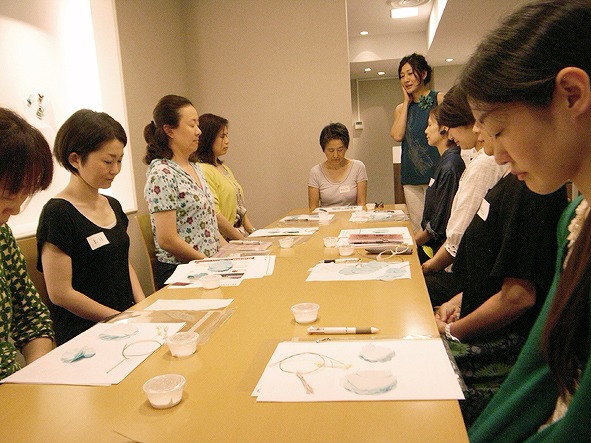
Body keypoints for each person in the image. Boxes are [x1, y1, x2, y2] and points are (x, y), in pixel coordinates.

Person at [455, 0, 591, 440]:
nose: (492, 151)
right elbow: (540, 369)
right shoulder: (576, 217)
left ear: (572, 94)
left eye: (498, 130)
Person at [37, 110, 145, 345]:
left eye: (119, 160)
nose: (115, 169)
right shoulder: (58, 213)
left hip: (127, 323)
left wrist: (143, 307)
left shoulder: (113, 206)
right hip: (86, 334)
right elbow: (60, 293)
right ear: (75, 159)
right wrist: (117, 318)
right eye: (108, 161)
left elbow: (123, 263)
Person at [422, 86, 508, 302]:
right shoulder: (476, 161)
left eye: (450, 127)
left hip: (463, 271)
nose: (449, 134)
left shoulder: (485, 164)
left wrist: (426, 267)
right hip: (463, 266)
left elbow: (456, 239)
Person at [144, 95, 223, 288]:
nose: (199, 131)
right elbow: (167, 239)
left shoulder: (194, 166)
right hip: (182, 270)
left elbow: (209, 222)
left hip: (208, 265)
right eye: (192, 125)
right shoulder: (161, 172)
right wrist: (207, 262)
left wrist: (230, 252)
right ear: (170, 130)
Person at [0, 108, 54, 379]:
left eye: (26, 194)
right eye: (11, 193)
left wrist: (34, 373)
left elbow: (32, 316)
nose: (18, 208)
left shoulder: (2, 236)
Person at [390, 53, 444, 231]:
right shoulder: (400, 108)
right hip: (411, 176)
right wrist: (406, 103)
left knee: (437, 224)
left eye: (410, 74)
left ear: (423, 74)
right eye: (402, 76)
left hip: (436, 174)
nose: (406, 79)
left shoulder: (439, 99)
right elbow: (397, 135)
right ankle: (421, 259)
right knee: (417, 226)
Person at [414, 104, 465, 263]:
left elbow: (437, 226)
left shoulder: (450, 166)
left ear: (444, 128)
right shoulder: (444, 162)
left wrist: (410, 244)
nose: (426, 131)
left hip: (435, 250)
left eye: (429, 125)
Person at [196, 113, 256, 240]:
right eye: (222, 136)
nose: (227, 141)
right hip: (224, 239)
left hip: (239, 233)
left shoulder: (223, 168)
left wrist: (253, 232)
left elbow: (239, 208)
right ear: (208, 138)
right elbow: (216, 215)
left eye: (227, 135)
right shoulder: (203, 169)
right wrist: (242, 240)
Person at [308, 122, 367, 211]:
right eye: (331, 150)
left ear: (346, 148)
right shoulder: (315, 172)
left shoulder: (358, 167)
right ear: (323, 149)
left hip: (353, 219)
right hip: (326, 220)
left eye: (340, 150)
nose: (336, 155)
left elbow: (361, 204)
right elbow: (313, 208)